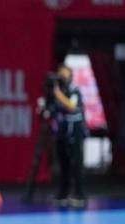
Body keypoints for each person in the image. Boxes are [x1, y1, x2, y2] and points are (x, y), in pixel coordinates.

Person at [53, 64, 89, 207]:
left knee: (76, 164)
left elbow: (71, 106)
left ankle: (79, 195)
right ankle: (63, 193)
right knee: (64, 164)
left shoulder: (74, 90)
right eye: (59, 74)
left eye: (64, 74)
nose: (62, 77)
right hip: (62, 130)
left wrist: (58, 94)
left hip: (75, 131)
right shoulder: (58, 90)